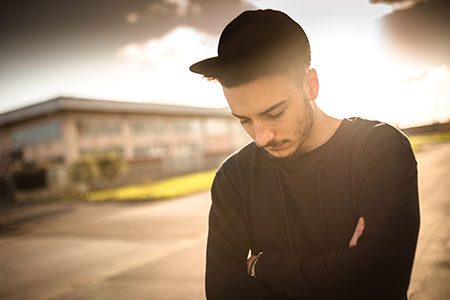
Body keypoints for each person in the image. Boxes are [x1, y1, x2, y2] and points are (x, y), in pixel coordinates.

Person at [189, 9, 420, 300]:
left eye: (274, 113)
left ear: (311, 85)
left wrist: (264, 266)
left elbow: (380, 282)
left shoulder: (380, 150)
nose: (261, 137)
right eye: (244, 120)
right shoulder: (233, 178)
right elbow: (224, 291)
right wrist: (344, 274)